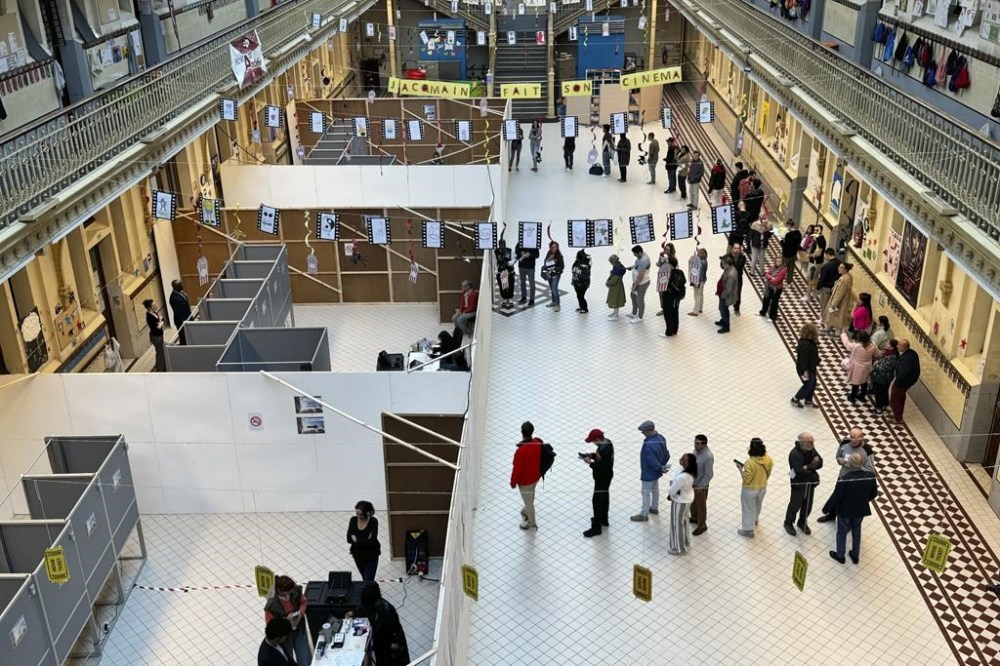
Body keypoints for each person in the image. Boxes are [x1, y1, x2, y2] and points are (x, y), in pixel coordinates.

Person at [827, 453, 878, 564]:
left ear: (850, 464)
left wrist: (828, 508)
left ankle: (840, 555)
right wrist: (864, 501)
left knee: (842, 532)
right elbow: (874, 493)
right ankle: (855, 555)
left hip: (845, 510)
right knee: (856, 531)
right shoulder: (870, 476)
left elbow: (837, 495)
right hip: (861, 509)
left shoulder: (845, 478)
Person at [817, 428, 874, 523]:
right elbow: (838, 455)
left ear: (861, 438)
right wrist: (840, 460)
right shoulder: (844, 443)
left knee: (849, 499)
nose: (853, 440)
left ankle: (847, 519)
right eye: (851, 437)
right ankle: (831, 515)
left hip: (856, 480)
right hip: (843, 476)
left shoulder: (867, 451)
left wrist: (856, 465)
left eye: (856, 438)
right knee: (838, 494)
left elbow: (870, 469)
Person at [357, 582, 410, 665]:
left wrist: (395, 642)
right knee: (381, 659)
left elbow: (395, 629)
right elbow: (362, 609)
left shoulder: (388, 610)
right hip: (380, 639)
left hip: (389, 640)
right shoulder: (369, 603)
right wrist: (353, 612)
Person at [784, 433, 823, 536]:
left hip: (810, 483)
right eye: (810, 442)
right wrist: (812, 466)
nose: (812, 444)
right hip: (798, 483)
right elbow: (799, 471)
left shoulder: (810, 449)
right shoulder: (794, 454)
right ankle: (788, 523)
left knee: (808, 504)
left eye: (812, 442)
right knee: (795, 504)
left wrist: (807, 467)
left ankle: (802, 522)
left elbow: (820, 462)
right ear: (802, 442)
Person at [263, 577, 310, 665]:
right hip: (284, 636)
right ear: (279, 590)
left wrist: (300, 614)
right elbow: (270, 624)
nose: (289, 594)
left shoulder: (294, 591)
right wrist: (285, 621)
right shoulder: (272, 605)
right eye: (286, 592)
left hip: (298, 630)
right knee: (288, 658)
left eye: (290, 591)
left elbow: (303, 602)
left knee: (304, 657)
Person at [630, 420, 669, 522]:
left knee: (645, 492)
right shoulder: (661, 438)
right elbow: (666, 454)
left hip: (649, 472)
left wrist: (659, 467)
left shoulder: (648, 444)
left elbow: (651, 461)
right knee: (655, 488)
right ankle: (654, 508)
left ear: (649, 430)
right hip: (657, 471)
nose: (642, 433)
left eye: (643, 431)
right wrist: (662, 467)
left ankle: (644, 514)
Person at [581, 428, 614, 537]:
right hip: (607, 476)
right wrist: (592, 455)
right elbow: (601, 458)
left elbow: (601, 468)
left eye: (593, 441)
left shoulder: (605, 449)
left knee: (597, 501)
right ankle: (603, 519)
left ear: (598, 439)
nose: (593, 443)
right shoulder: (606, 443)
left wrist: (590, 462)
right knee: (604, 497)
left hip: (602, 478)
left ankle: (596, 528)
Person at [510, 421, 543, 530]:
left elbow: (517, 470)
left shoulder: (520, 452)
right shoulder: (537, 443)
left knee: (529, 503)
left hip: (525, 482)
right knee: (530, 495)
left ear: (522, 433)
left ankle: (532, 524)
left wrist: (513, 482)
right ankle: (525, 511)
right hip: (536, 477)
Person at [737, 438, 773, 537]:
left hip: (749, 490)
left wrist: (740, 469)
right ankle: (755, 519)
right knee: (758, 504)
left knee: (748, 508)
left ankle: (748, 530)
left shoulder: (749, 462)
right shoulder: (768, 458)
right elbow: (769, 472)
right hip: (762, 487)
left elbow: (746, 479)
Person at [666, 453, 697, 555]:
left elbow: (671, 490)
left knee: (677, 523)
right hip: (686, 500)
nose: (681, 459)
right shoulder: (689, 473)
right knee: (684, 521)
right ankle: (686, 541)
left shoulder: (683, 477)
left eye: (684, 459)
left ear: (688, 463)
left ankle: (680, 549)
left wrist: (669, 488)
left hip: (680, 502)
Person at [841, 329, 878, 403]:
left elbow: (847, 344)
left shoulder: (857, 346)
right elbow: (877, 353)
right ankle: (862, 396)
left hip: (857, 366)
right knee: (864, 381)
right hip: (867, 365)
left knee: (856, 382)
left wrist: (843, 334)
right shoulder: (873, 345)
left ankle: (852, 396)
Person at [347, 500, 381, 581]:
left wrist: (356, 540)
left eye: (361, 514)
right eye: (357, 514)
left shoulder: (373, 521)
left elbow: (372, 540)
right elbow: (349, 539)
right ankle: (369, 591)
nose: (358, 516)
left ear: (367, 513)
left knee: (369, 578)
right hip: (358, 555)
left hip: (371, 554)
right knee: (364, 577)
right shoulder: (353, 520)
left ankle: (371, 592)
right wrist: (365, 540)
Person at [890, 339, 921, 423]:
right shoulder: (912, 353)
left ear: (903, 348)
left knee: (895, 399)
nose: (897, 346)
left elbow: (903, 372)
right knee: (900, 397)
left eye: (899, 345)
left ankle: (898, 418)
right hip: (908, 381)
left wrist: (897, 381)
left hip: (903, 382)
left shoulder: (907, 359)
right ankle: (897, 414)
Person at [791, 323, 821, 408]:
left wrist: (816, 360)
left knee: (813, 383)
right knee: (809, 384)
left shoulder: (809, 343)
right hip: (805, 369)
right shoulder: (806, 345)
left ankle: (808, 399)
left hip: (810, 367)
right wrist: (805, 371)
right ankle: (796, 398)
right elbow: (804, 360)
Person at [821, 262, 854, 335]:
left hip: (840, 302)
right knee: (832, 315)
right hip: (837, 300)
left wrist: (834, 303)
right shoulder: (845, 277)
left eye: (841, 267)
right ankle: (828, 328)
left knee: (838, 317)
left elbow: (840, 293)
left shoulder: (845, 279)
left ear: (846, 269)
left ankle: (837, 333)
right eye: (839, 267)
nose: (839, 268)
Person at [691, 434, 714, 535]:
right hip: (693, 482)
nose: (695, 445)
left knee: (701, 505)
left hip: (701, 485)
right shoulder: (696, 451)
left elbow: (709, 474)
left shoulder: (708, 456)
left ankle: (702, 525)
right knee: (693, 502)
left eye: (697, 443)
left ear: (704, 444)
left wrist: (701, 486)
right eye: (695, 442)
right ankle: (694, 518)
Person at [658, 256, 685, 337]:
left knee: (668, 314)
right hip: (677, 297)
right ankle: (674, 330)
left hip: (669, 297)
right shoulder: (680, 272)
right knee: (675, 313)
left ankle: (669, 332)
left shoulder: (668, 274)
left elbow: (664, 285)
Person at [870, 339, 899, 414]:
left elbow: (884, 367)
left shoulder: (892, 357)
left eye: (888, 344)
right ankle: (884, 404)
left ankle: (878, 408)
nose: (886, 344)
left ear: (892, 347)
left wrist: (876, 364)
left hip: (882, 378)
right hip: (885, 378)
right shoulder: (888, 353)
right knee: (883, 391)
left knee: (879, 392)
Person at [758, 256, 787, 323]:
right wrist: (771, 277)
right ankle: (763, 312)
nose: (778, 263)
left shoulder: (783, 270)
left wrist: (770, 278)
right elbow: (766, 274)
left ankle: (772, 317)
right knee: (766, 299)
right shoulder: (773, 267)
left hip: (777, 289)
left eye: (780, 261)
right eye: (777, 261)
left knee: (774, 303)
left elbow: (776, 281)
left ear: (782, 262)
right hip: (769, 287)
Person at [626, 245, 651, 323]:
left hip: (642, 283)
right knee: (633, 295)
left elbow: (640, 276)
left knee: (640, 299)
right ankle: (634, 313)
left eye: (635, 254)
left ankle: (640, 317)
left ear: (639, 252)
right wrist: (632, 267)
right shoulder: (640, 257)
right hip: (637, 282)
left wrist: (635, 286)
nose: (634, 255)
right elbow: (637, 263)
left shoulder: (644, 260)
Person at [815, 248, 841, 317]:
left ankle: (823, 318)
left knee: (824, 303)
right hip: (836, 287)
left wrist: (818, 287)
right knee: (831, 304)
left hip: (826, 287)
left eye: (825, 255)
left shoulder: (827, 266)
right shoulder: (840, 263)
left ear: (827, 254)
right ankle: (828, 317)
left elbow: (822, 278)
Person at [716, 255, 738, 334]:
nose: (722, 265)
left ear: (727, 264)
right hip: (722, 293)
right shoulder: (728, 269)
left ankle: (726, 326)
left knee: (724, 310)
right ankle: (723, 320)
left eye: (723, 264)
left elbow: (728, 289)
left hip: (725, 296)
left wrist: (722, 296)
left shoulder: (731, 274)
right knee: (721, 308)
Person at [144, 298, 166, 372]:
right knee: (160, 352)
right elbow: (157, 327)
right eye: (153, 305)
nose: (155, 306)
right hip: (156, 336)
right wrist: (161, 322)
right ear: (149, 308)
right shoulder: (149, 316)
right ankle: (160, 368)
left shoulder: (154, 313)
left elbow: (161, 319)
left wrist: (161, 322)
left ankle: (159, 365)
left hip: (159, 334)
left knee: (160, 351)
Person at [541, 241, 564, 312]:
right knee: (552, 289)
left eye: (556, 247)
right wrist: (549, 258)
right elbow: (545, 262)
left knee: (554, 289)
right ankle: (554, 301)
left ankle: (557, 304)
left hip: (555, 275)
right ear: (550, 248)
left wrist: (554, 269)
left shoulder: (559, 256)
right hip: (549, 274)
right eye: (553, 247)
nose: (554, 248)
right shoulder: (549, 253)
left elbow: (562, 266)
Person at [515, 240, 539, 306]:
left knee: (532, 283)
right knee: (522, 283)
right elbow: (516, 251)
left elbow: (537, 255)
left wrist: (530, 255)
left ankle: (532, 299)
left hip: (530, 267)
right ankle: (524, 297)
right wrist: (521, 252)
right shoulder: (520, 242)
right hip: (522, 266)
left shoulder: (533, 244)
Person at [169, 279, 192, 345]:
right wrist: (185, 321)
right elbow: (179, 312)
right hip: (181, 320)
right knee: (183, 336)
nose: (183, 286)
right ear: (177, 287)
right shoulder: (174, 298)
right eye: (181, 285)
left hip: (187, 316)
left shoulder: (180, 293)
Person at [687, 248, 708, 316]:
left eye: (699, 253)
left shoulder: (700, 262)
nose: (697, 254)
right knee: (701, 294)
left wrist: (697, 282)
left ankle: (695, 311)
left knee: (696, 295)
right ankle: (700, 308)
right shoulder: (705, 261)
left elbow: (698, 273)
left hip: (698, 280)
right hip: (703, 280)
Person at [728, 243, 747, 315]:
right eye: (735, 248)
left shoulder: (742, 257)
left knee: (738, 294)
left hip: (738, 278)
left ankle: (736, 308)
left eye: (738, 248)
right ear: (732, 248)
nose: (736, 250)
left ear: (740, 249)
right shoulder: (728, 256)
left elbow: (738, 267)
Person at [605, 254, 627, 319]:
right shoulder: (619, 267)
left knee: (616, 300)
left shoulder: (617, 270)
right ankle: (615, 312)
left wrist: (608, 283)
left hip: (616, 287)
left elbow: (614, 280)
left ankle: (616, 314)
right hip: (617, 286)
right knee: (615, 299)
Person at [495, 239, 515, 309]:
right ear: (498, 245)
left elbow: (514, 260)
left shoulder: (509, 250)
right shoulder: (496, 252)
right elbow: (495, 262)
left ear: (505, 244)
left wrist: (508, 263)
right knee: (503, 286)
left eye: (503, 244)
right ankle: (504, 298)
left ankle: (510, 298)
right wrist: (496, 270)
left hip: (510, 271)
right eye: (500, 244)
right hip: (501, 272)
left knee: (510, 285)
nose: (502, 246)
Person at [571, 249, 592, 313]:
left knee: (581, 296)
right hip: (576, 283)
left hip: (582, 284)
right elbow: (573, 269)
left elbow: (585, 276)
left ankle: (585, 308)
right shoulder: (576, 262)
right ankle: (581, 307)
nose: (576, 257)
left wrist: (578, 275)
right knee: (578, 296)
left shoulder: (585, 266)